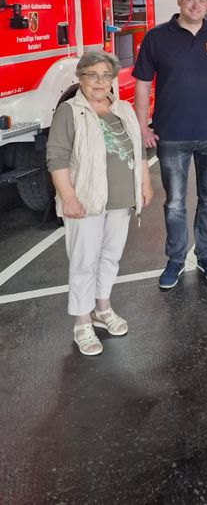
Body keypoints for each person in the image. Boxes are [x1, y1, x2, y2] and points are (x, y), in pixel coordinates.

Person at [133, 0, 207, 290]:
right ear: (180, 0)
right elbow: (142, 83)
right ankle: (176, 260)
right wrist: (142, 126)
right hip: (172, 136)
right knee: (176, 202)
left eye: (202, 1)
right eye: (190, 0)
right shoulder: (156, 38)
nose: (196, 6)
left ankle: (206, 255)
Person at [46, 51, 153, 356]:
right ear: (80, 77)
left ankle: (102, 309)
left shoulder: (123, 108)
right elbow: (56, 158)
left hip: (120, 199)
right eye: (92, 75)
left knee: (110, 257)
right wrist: (68, 197)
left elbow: (139, 151)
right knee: (83, 261)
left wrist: (144, 184)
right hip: (85, 201)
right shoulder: (70, 112)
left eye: (106, 75)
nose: (100, 82)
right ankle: (82, 322)